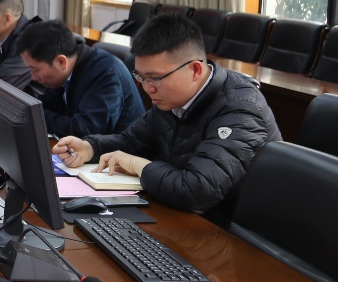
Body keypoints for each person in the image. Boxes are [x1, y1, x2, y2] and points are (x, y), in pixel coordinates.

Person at [54, 13, 281, 225]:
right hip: (182, 215)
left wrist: (139, 165)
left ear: (195, 70)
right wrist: (91, 148)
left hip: (230, 232)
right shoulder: (171, 98)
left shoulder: (241, 111)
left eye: (155, 78)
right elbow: (131, 141)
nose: (147, 88)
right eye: (141, 77)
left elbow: (197, 191)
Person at [18, 19, 144, 137]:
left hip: (122, 150)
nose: (33, 77)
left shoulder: (105, 74)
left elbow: (85, 130)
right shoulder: (64, 71)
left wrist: (36, 116)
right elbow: (45, 106)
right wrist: (32, 113)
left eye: (35, 70)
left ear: (61, 62)